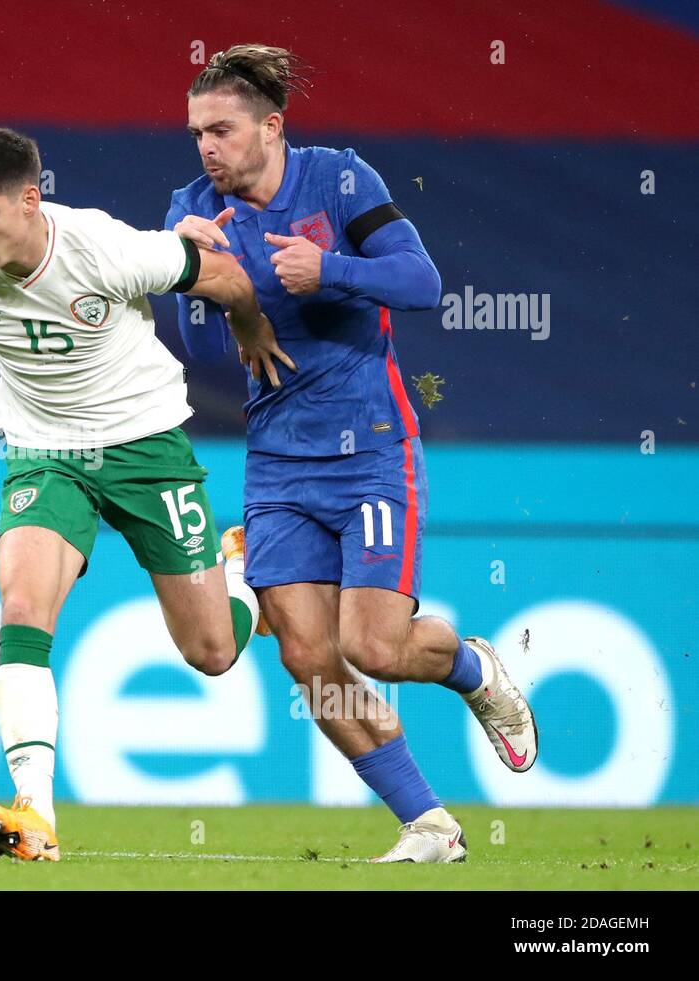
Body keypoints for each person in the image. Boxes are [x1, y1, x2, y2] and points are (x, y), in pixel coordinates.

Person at [167, 45, 538, 863]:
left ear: (272, 126)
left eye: (222, 130)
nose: (206, 148)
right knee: (306, 653)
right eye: (197, 133)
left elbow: (422, 280)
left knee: (374, 646)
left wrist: (330, 268)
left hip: (372, 448)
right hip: (276, 461)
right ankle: (428, 824)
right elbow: (175, 330)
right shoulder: (192, 208)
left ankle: (471, 667)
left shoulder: (339, 180)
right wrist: (183, 264)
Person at [0, 126, 294, 861]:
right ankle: (36, 810)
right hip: (44, 450)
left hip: (145, 443)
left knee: (214, 652)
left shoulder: (106, 250)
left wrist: (251, 330)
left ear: (32, 200)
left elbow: (220, 273)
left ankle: (241, 574)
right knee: (22, 603)